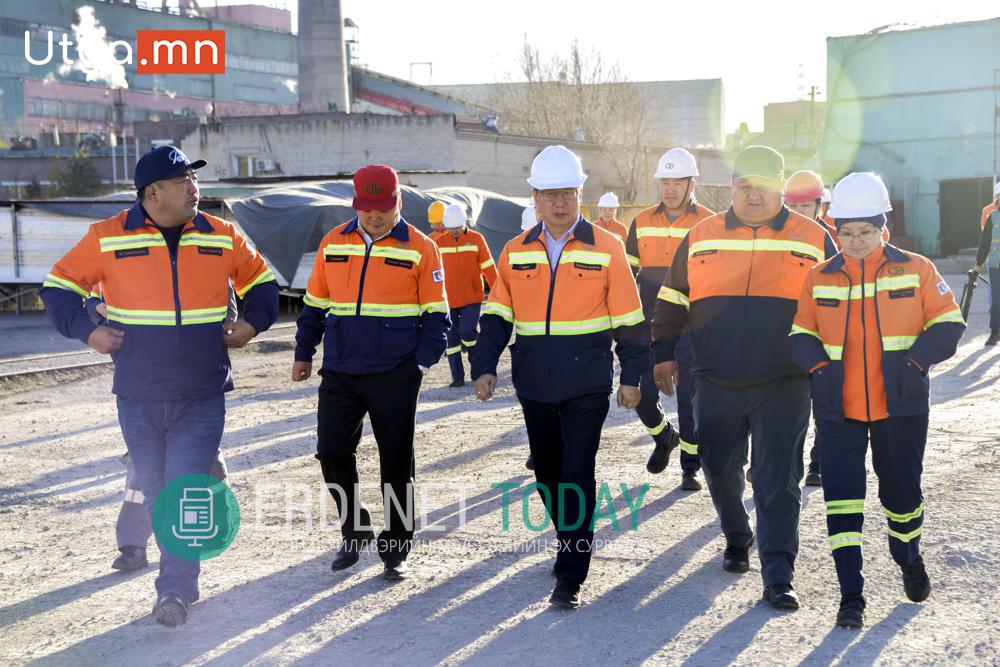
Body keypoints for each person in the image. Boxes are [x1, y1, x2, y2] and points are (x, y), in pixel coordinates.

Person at [40, 145, 279, 627]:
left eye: (195, 178)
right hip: (138, 393)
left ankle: (175, 590)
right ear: (153, 192)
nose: (195, 188)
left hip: (202, 391)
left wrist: (253, 323)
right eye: (184, 180)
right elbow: (58, 286)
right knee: (153, 489)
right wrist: (88, 331)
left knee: (183, 489)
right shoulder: (106, 236)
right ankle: (164, 567)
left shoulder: (222, 234)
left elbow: (264, 283)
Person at [652, 146, 836, 610]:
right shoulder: (701, 235)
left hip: (785, 380)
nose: (754, 196)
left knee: (778, 478)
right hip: (713, 376)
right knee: (716, 468)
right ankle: (738, 535)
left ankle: (778, 573)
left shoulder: (813, 236)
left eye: (764, 186)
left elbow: (840, 301)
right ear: (731, 187)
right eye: (744, 186)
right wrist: (663, 353)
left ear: (781, 187)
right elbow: (673, 297)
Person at [471, 145, 647, 609]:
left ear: (580, 193)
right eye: (550, 194)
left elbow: (630, 322)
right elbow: (496, 316)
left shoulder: (607, 248)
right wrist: (484, 365)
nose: (560, 202)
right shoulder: (514, 250)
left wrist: (632, 376)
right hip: (535, 384)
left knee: (576, 471)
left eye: (568, 193)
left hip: (587, 383)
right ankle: (569, 536)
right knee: (548, 473)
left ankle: (571, 571)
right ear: (534, 196)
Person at [789, 171, 965, 628]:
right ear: (835, 230)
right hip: (837, 410)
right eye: (846, 232)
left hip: (900, 407)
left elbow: (949, 325)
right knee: (842, 500)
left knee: (901, 495)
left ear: (883, 227)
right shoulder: (817, 277)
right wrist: (820, 370)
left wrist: (914, 365)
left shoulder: (917, 268)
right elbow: (800, 334)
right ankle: (851, 595)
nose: (856, 240)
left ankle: (908, 556)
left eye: (865, 231)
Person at [292, 164, 449, 582]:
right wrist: (303, 352)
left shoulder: (420, 247)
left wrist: (420, 363)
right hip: (341, 369)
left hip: (395, 373)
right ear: (355, 204)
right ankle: (355, 527)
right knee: (331, 452)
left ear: (397, 202)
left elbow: (437, 315)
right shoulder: (333, 243)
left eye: (383, 207)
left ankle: (396, 544)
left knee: (395, 461)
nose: (375, 216)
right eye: (367, 208)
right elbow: (313, 306)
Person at [84, 288, 234, 573]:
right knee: (144, 468)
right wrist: (98, 310)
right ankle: (134, 544)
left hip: (193, 388)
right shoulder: (120, 258)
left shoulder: (204, 255)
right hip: (144, 387)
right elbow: (91, 300)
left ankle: (207, 528)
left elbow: (227, 314)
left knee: (200, 465)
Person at [626, 147, 713, 490]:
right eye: (665, 182)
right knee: (643, 395)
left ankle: (690, 466)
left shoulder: (709, 222)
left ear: (692, 183)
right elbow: (626, 273)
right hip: (651, 326)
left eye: (678, 182)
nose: (671, 189)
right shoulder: (642, 221)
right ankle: (664, 437)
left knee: (691, 399)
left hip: (694, 328)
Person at [783, 169, 834, 487]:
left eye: (806, 207)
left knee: (820, 400)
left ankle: (817, 463)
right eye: (794, 207)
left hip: (818, 333)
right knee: (785, 403)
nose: (800, 213)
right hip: (782, 333)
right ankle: (781, 461)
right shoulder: (773, 237)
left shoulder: (825, 239)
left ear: (820, 207)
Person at [435, 203, 497, 387]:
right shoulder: (439, 242)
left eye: (458, 228)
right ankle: (457, 377)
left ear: (464, 224)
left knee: (467, 331)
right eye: (451, 228)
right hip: (448, 299)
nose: (454, 231)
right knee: (451, 338)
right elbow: (433, 272)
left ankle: (477, 368)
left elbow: (488, 267)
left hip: (472, 297)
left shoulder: (477, 239)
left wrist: (498, 291)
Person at [972, 181, 1000, 345]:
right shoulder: (993, 217)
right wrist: (978, 264)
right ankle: (995, 331)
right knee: (996, 300)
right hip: (995, 265)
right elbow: (985, 243)